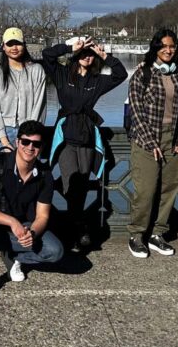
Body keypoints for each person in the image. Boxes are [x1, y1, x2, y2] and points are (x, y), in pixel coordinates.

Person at [42, 35, 128, 251]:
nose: (87, 57)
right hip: (66, 137)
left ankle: (74, 230)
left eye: (90, 54)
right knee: (71, 184)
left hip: (88, 137)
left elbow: (121, 74)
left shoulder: (97, 80)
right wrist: (70, 47)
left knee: (81, 185)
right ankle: (78, 230)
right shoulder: (62, 75)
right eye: (84, 53)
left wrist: (104, 55)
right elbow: (47, 56)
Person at [0, 120, 64, 305]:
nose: (30, 147)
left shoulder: (44, 175)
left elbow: (42, 216)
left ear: (41, 147)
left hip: (21, 230)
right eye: (26, 142)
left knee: (55, 251)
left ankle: (12, 256)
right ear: (18, 142)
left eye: (36, 144)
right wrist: (12, 221)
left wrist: (32, 233)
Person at [126, 29, 178, 258]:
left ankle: (158, 233)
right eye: (163, 46)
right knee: (146, 191)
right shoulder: (142, 75)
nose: (168, 50)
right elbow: (136, 112)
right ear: (155, 48)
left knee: (169, 189)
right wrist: (150, 142)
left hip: (172, 140)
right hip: (146, 140)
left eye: (172, 46)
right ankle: (136, 234)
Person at [0, 27, 46, 150]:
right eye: (10, 44)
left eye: (18, 43)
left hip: (30, 134)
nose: (14, 48)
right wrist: (3, 140)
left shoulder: (36, 71)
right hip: (5, 133)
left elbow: (39, 104)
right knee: (3, 168)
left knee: (29, 169)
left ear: (24, 45)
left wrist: (30, 135)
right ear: (3, 47)